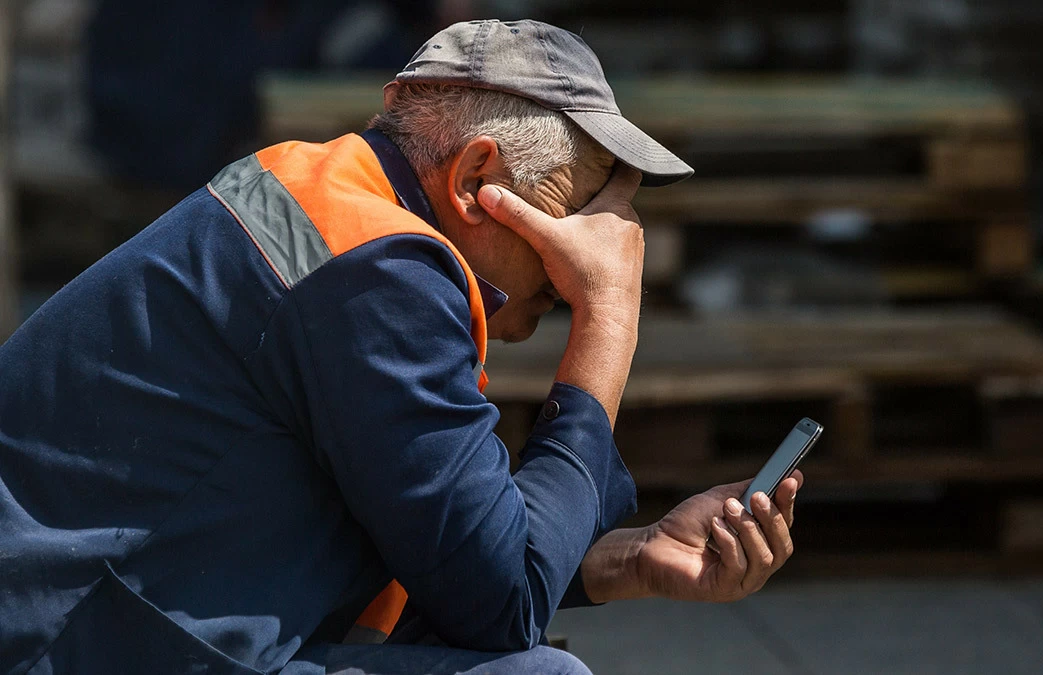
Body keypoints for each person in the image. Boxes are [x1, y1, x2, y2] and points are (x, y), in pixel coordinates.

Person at [0, 19, 802, 675]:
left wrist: (634, 557)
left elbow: (450, 551)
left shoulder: (325, 200)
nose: (590, 252)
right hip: (69, 643)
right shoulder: (379, 271)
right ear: (476, 179)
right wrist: (610, 316)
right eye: (583, 209)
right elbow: (501, 603)